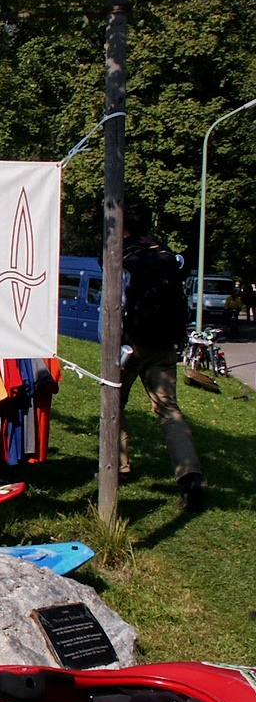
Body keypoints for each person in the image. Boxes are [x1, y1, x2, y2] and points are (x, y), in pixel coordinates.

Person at [117, 200, 206, 511]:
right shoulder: (166, 254)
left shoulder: (120, 253)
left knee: (114, 402)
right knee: (168, 409)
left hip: (131, 343)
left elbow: (118, 298)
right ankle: (190, 476)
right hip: (164, 343)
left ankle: (118, 467)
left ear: (123, 224)